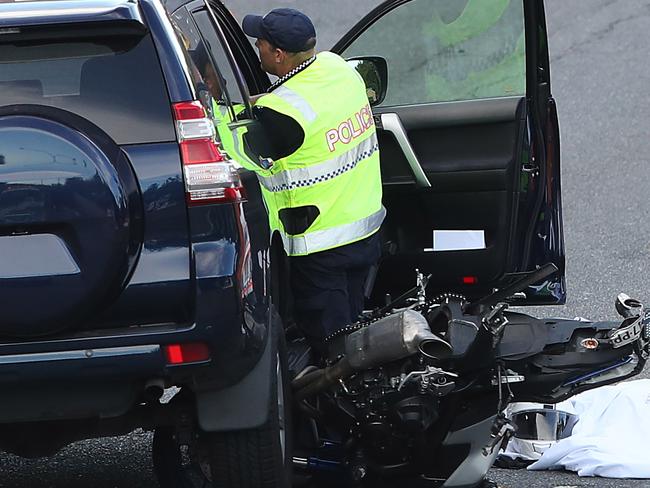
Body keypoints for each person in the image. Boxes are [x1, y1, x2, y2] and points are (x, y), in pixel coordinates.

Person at [241, 8, 385, 353]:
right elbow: (305, 98)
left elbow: (235, 143)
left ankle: (343, 405)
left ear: (278, 54)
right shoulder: (338, 68)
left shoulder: (282, 114)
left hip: (321, 247)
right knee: (354, 329)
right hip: (363, 231)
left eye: (259, 43)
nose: (256, 48)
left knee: (334, 350)